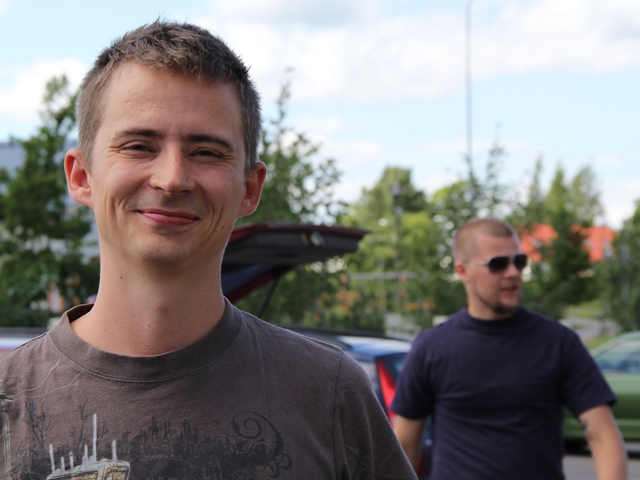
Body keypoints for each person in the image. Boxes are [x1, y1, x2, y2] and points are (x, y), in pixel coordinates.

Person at [0, 21, 417, 479]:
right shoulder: (7, 401)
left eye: (206, 152)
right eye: (139, 146)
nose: (172, 179)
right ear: (81, 176)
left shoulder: (329, 394)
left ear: (249, 188)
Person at [391, 217, 627, 480]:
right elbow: (403, 449)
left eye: (519, 261)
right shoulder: (431, 348)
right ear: (463, 271)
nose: (513, 272)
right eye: (498, 263)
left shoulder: (558, 343)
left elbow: (604, 437)